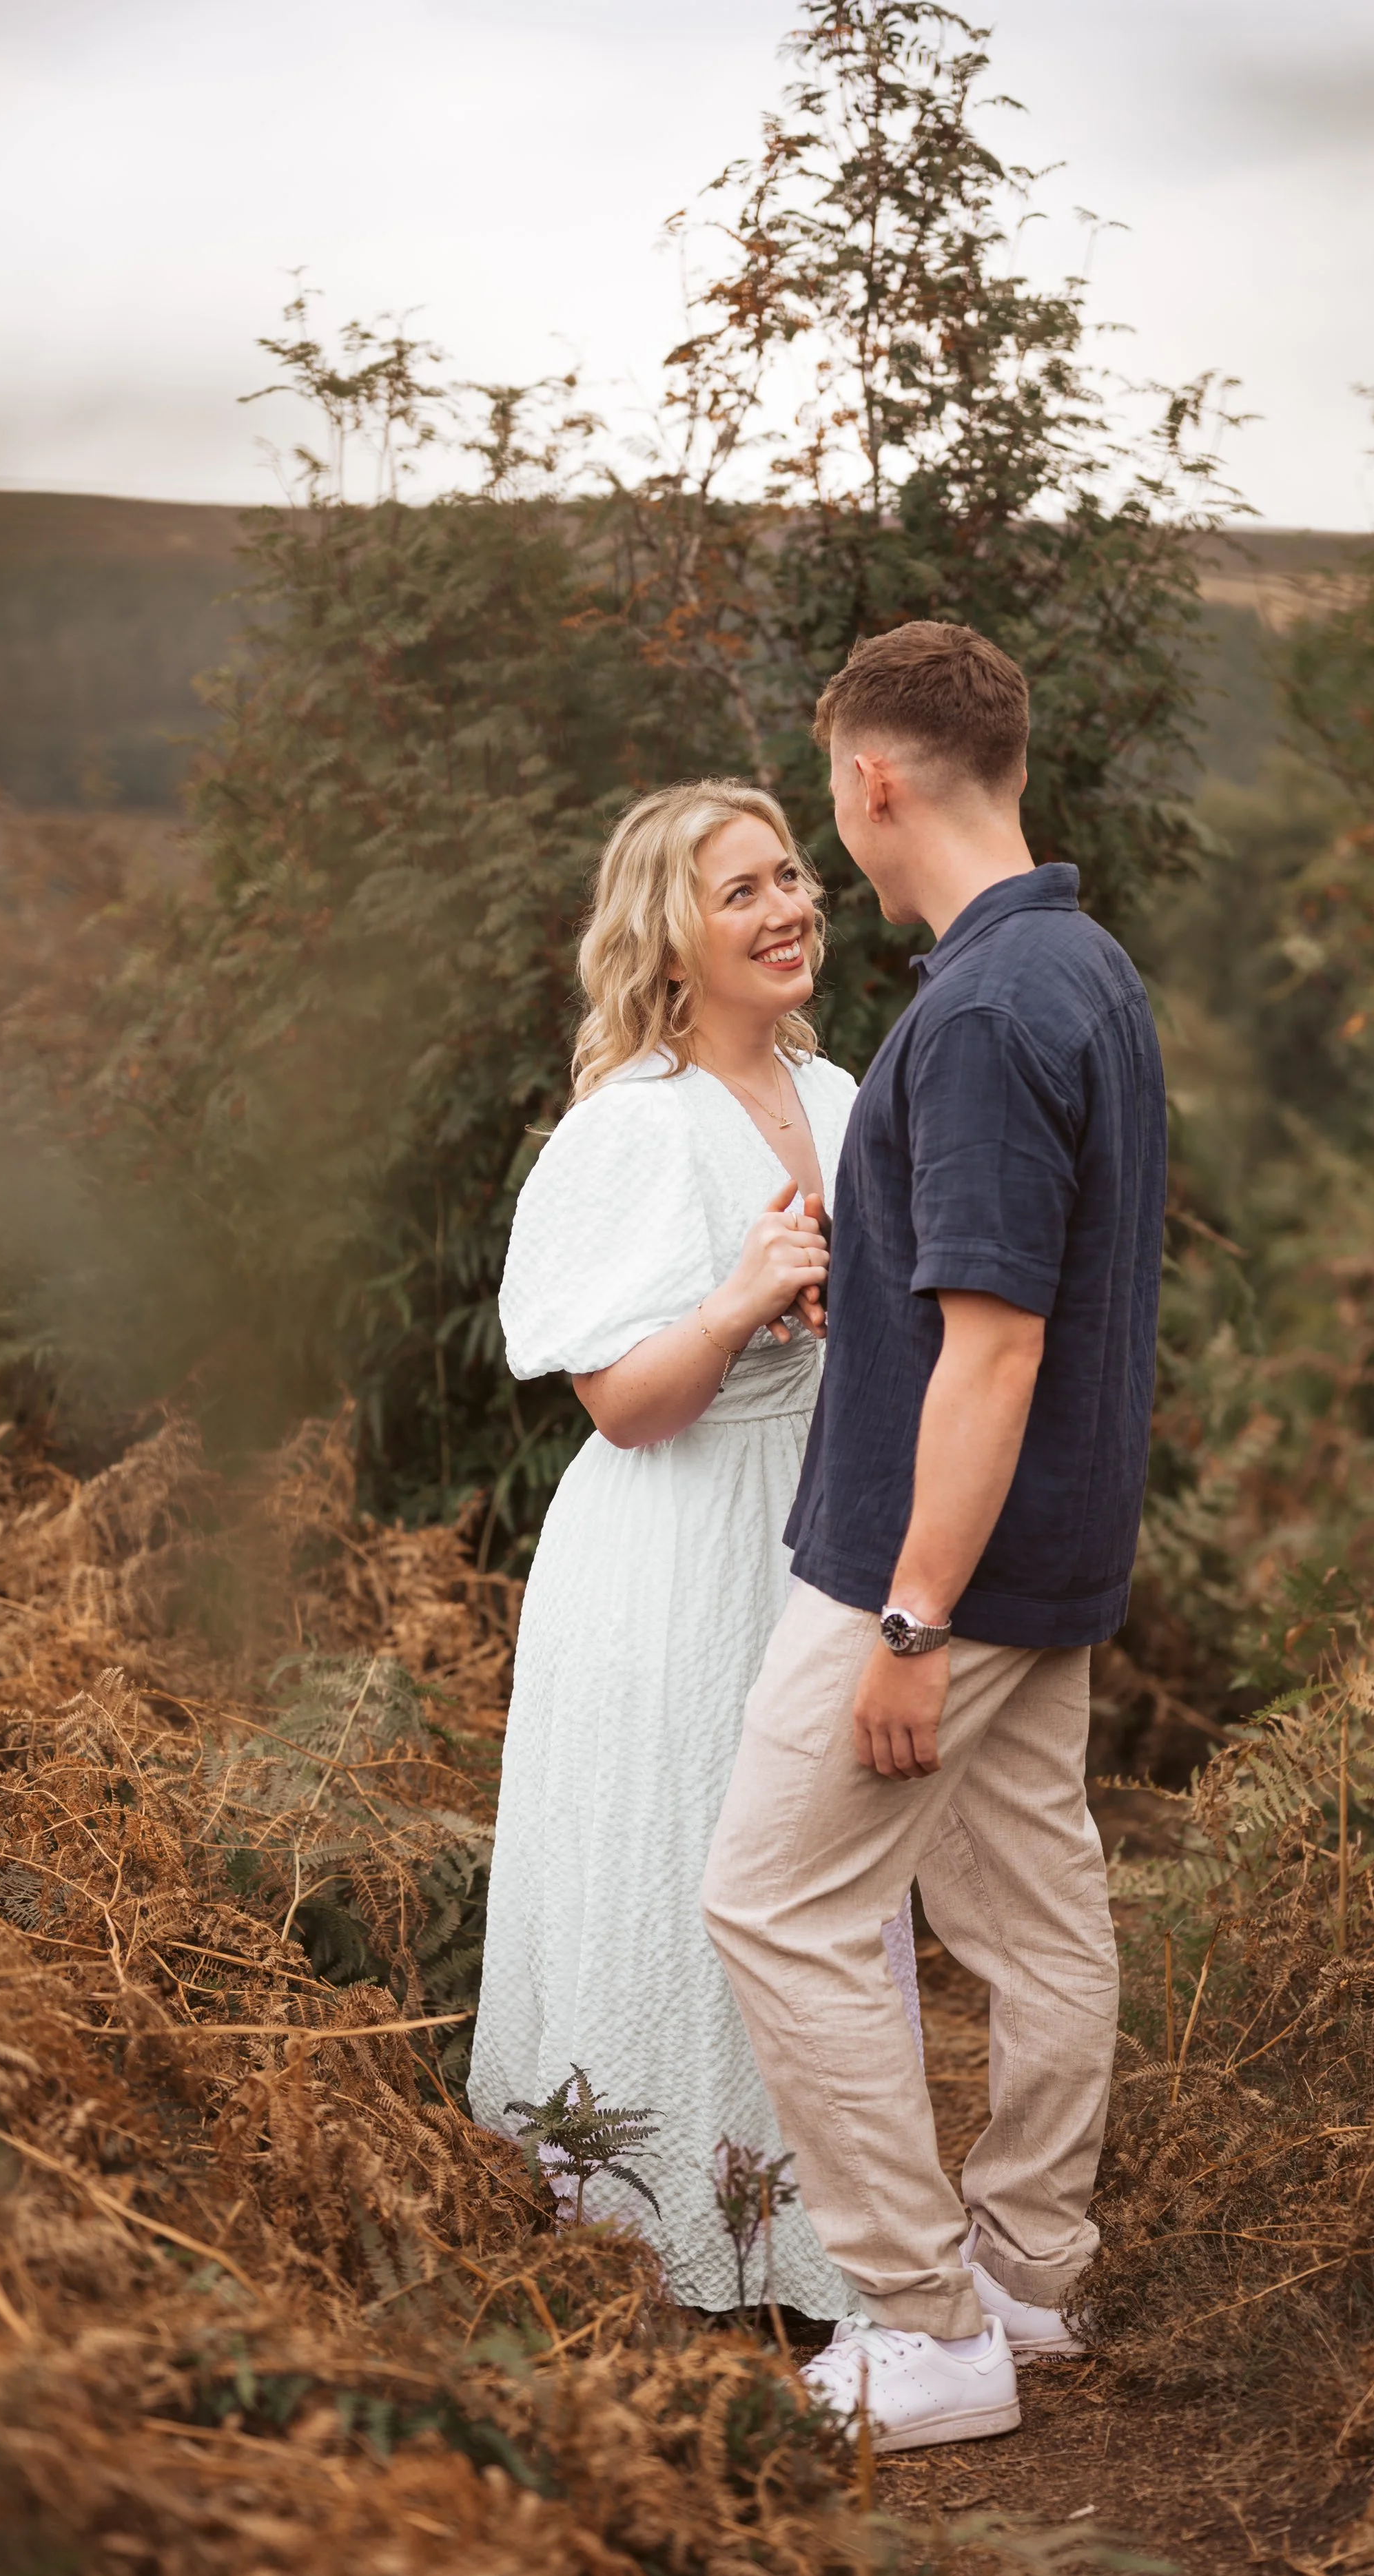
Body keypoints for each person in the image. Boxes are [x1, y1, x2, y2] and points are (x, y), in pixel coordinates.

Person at [701, 624, 1167, 2449]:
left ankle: (921, 2317)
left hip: (937, 1570)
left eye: (834, 791)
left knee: (773, 1896)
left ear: (877, 779)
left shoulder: (973, 1009)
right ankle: (1031, 2277)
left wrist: (905, 1619)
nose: (839, 825)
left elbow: (999, 1342)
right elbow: (995, 1294)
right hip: (1044, 1547)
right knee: (1028, 1902)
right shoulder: (1081, 962)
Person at [468, 778, 919, 2316]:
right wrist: (735, 1303)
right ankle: (653, 2247)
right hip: (672, 1545)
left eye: (791, 875)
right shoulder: (631, 1129)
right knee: (675, 1866)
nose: (789, 906)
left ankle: (827, 2241)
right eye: (742, 891)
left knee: (817, 1875)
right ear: (671, 934)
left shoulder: (847, 1092)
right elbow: (624, 1405)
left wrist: (838, 1302)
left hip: (817, 1513)